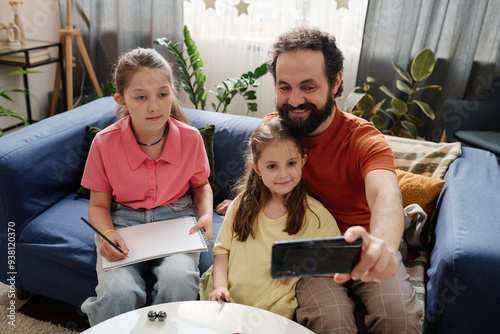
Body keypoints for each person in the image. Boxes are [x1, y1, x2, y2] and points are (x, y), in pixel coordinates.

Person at [216, 27, 423, 333]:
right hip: (308, 257)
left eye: (308, 86)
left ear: (336, 81)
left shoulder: (363, 138)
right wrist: (241, 202)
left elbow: (386, 195)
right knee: (331, 320)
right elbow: (261, 180)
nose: (295, 100)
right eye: (284, 87)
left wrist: (382, 247)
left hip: (365, 247)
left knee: (398, 318)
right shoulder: (272, 129)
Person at [80, 47, 213, 326]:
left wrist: (206, 215)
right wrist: (106, 234)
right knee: (118, 291)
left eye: (163, 95)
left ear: (172, 94)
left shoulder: (191, 139)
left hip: (177, 220)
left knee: (179, 280)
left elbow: (202, 186)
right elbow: (98, 205)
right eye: (141, 97)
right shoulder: (104, 143)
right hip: (123, 223)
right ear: (122, 100)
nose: (154, 106)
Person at [200, 117, 340, 319]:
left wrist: (300, 263)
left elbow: (336, 266)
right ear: (257, 168)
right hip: (225, 304)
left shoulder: (317, 217)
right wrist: (219, 287)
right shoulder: (241, 204)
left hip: (272, 314)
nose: (283, 174)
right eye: (272, 166)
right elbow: (222, 250)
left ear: (303, 161)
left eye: (291, 163)